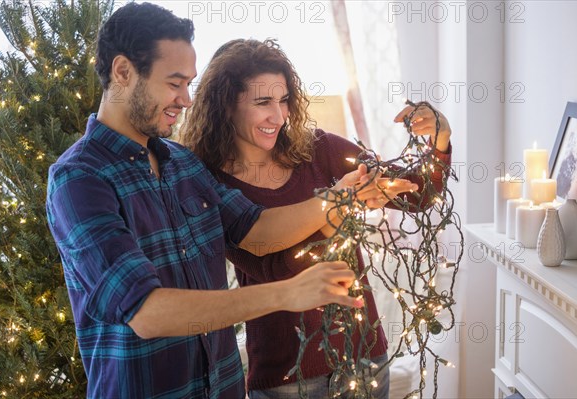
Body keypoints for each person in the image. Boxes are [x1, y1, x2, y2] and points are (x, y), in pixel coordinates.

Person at [45, 4, 390, 399]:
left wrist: (339, 197)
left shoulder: (184, 165)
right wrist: (287, 292)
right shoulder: (79, 179)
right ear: (123, 72)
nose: (186, 99)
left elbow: (257, 229)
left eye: (189, 84)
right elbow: (147, 312)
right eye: (174, 83)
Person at [180, 39, 452, 398]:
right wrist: (337, 206)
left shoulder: (318, 150)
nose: (278, 116)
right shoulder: (211, 183)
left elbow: (417, 194)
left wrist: (440, 137)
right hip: (286, 376)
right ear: (226, 106)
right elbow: (276, 269)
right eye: (263, 103)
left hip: (364, 359)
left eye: (283, 100)